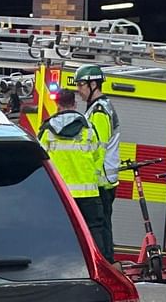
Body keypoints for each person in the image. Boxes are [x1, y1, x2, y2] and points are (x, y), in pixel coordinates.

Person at [37, 89, 106, 258]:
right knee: (94, 230)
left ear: (57, 105)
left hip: (60, 194)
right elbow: (99, 156)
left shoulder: (47, 130)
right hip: (88, 192)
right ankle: (99, 265)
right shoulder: (88, 128)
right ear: (74, 104)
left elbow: (40, 159)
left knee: (58, 231)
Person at [74, 64, 120, 265]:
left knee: (102, 229)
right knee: (102, 227)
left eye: (81, 84)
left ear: (94, 84)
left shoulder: (100, 111)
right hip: (102, 180)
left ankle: (107, 265)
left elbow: (97, 148)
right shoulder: (96, 108)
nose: (79, 89)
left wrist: (88, 177)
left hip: (101, 181)